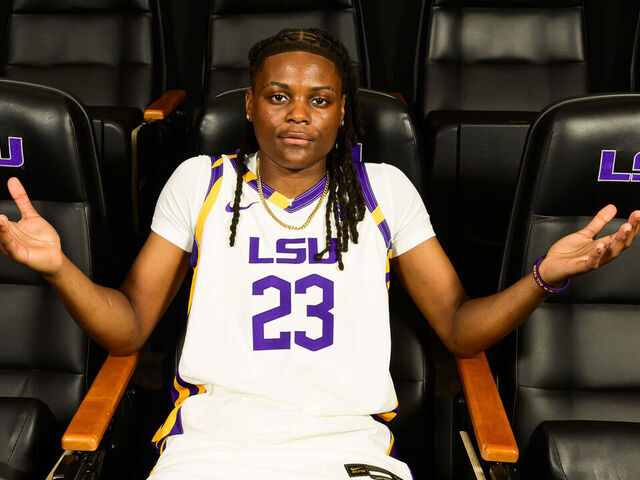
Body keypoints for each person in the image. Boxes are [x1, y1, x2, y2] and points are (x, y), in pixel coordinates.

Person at [0, 29, 639, 480]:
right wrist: (60, 268)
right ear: (250, 105)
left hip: (347, 447)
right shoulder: (201, 183)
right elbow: (129, 328)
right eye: (278, 96)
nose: (298, 115)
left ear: (342, 112)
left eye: (320, 99)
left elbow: (458, 329)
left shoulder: (383, 189)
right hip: (212, 445)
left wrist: (543, 277)